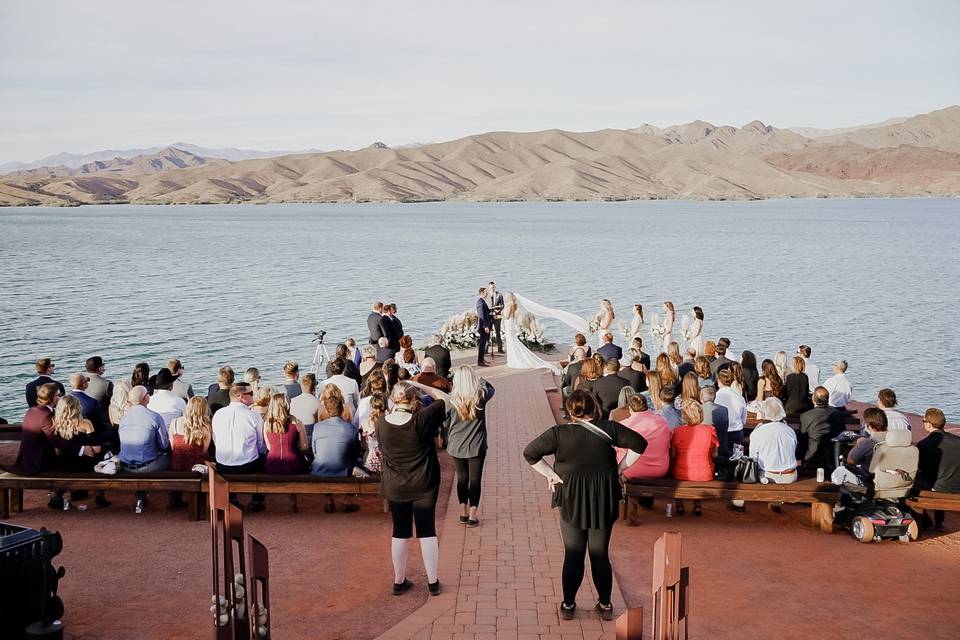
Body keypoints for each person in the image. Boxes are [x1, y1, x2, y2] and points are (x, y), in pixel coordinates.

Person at [524, 391, 646, 621]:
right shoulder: (609, 429)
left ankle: (568, 605)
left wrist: (550, 474)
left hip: (570, 499)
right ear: (594, 408)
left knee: (573, 553)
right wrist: (620, 469)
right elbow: (640, 444)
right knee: (599, 554)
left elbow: (530, 453)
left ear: (570, 411)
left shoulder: (558, 434)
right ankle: (606, 604)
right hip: (603, 498)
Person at [376, 382, 447, 597]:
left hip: (396, 485)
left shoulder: (381, 423)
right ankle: (433, 582)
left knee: (400, 530)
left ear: (393, 400)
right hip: (424, 483)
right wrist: (417, 383)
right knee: (427, 531)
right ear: (413, 399)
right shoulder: (421, 420)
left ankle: (399, 581)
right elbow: (445, 398)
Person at [443, 366, 496, 527]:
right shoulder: (480, 396)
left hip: (456, 445)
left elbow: (445, 423)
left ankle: (462, 512)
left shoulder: (450, 401)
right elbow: (491, 387)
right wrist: (477, 377)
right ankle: (473, 515)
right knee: (475, 479)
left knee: (462, 478)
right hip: (476, 445)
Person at [212, 382, 267, 511]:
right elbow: (261, 443)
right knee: (264, 457)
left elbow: (215, 440)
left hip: (222, 465)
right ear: (242, 396)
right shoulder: (254, 416)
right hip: (247, 465)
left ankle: (232, 497)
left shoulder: (218, 414)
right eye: (251, 394)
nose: (254, 396)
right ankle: (257, 498)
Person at [119, 386, 171, 513]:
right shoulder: (154, 417)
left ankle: (140, 496)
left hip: (125, 466)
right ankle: (175, 496)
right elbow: (164, 445)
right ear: (145, 398)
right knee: (172, 457)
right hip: (148, 466)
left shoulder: (124, 418)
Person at [670, 401, 718, 517]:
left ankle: (680, 505)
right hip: (704, 473)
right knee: (698, 475)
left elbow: (673, 455)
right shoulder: (710, 430)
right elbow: (715, 455)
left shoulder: (677, 431)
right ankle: (697, 505)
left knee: (676, 470)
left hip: (681, 472)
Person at [916, 408, 960, 530]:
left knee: (916, 481)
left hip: (937, 489)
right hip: (957, 488)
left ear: (929, 424)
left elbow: (919, 469)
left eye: (923, 421)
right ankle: (939, 522)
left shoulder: (924, 444)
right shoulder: (958, 441)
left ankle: (925, 521)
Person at [501, 292, 561, 374]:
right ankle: (514, 358)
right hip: (510, 324)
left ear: (509, 297)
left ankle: (514, 359)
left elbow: (507, 317)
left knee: (511, 341)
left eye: (506, 296)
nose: (505, 298)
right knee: (512, 341)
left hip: (509, 324)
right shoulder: (514, 305)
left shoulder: (510, 305)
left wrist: (498, 316)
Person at [13, 383, 62, 477]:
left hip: (25, 461)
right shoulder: (46, 415)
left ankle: (57, 491)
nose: (61, 397)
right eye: (58, 395)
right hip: (39, 464)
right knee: (77, 463)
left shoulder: (31, 410)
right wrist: (82, 450)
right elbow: (56, 441)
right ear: (51, 398)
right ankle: (57, 491)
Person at [619, 394, 671, 480]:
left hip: (631, 471)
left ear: (630, 408)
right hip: (659, 470)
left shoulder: (624, 425)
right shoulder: (662, 421)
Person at [749, 398, 798, 484]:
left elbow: (753, 458)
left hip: (768, 476)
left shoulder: (758, 432)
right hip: (790, 476)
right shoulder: (790, 431)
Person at [798, 386, 846, 473]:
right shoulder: (839, 414)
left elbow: (802, 438)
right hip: (833, 455)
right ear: (828, 399)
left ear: (813, 399)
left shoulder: (806, 416)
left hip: (812, 456)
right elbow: (843, 434)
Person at [264, 393, 310, 475]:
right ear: (287, 405)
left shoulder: (267, 424)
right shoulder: (297, 422)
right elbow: (304, 446)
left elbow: (269, 447)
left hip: (272, 466)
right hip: (295, 465)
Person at [168, 396, 213, 471]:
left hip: (177, 465)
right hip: (196, 467)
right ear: (204, 409)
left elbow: (172, 447)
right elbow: (204, 451)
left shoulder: (175, 422)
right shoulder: (206, 426)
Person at [715, 368, 747, 458]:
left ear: (719, 381)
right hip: (737, 433)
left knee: (722, 461)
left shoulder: (716, 397)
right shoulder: (739, 397)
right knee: (737, 460)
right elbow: (744, 419)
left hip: (721, 433)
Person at [700, 386, 729, 458]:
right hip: (721, 449)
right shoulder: (723, 410)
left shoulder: (698, 410)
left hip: (703, 449)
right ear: (714, 397)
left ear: (701, 397)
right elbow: (725, 430)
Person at [289, 373, 321, 440]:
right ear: (314, 386)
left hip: (295, 436)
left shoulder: (292, 401)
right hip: (310, 437)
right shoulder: (318, 403)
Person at [476, 287, 492, 367]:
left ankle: (482, 359)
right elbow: (482, 316)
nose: (487, 294)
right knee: (482, 344)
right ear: (482, 293)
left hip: (484, 326)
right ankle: (480, 361)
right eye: (486, 292)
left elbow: (486, 313)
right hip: (483, 327)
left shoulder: (482, 302)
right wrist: (486, 326)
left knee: (483, 343)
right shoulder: (480, 303)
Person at [487, 281, 505, 355]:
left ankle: (500, 348)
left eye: (493, 287)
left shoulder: (499, 295)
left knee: (498, 332)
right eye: (491, 287)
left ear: (495, 287)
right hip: (489, 317)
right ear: (489, 288)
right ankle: (486, 349)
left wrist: (499, 309)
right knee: (487, 333)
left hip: (497, 316)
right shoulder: (486, 296)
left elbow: (502, 305)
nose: (492, 288)